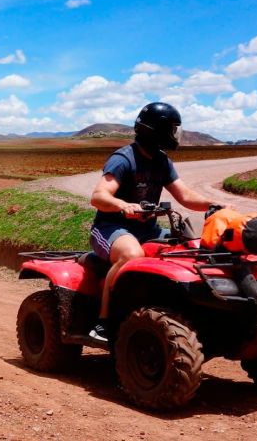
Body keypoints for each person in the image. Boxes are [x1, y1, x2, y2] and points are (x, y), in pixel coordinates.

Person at [88, 102, 222, 340]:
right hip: (111, 228)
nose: (174, 135)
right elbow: (98, 197)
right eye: (172, 129)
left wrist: (213, 206)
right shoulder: (123, 159)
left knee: (188, 251)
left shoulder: (162, 161)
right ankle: (104, 321)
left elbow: (185, 195)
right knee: (132, 255)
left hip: (147, 228)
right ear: (156, 131)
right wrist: (124, 205)